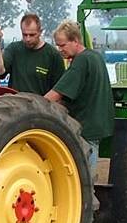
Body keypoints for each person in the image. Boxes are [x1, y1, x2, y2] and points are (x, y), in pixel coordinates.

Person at [43, 21, 115, 180]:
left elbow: (56, 94)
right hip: (98, 124)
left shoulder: (81, 61)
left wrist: (35, 105)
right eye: (57, 46)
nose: (60, 49)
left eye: (62, 45)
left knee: (84, 178)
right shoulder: (95, 56)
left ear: (75, 40)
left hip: (86, 128)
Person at [0, 13, 64, 95]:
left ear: (40, 32)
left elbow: (59, 90)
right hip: (15, 101)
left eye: (32, 35)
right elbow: (0, 71)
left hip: (40, 102)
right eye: (24, 35)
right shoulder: (14, 49)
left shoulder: (53, 55)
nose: (28, 39)